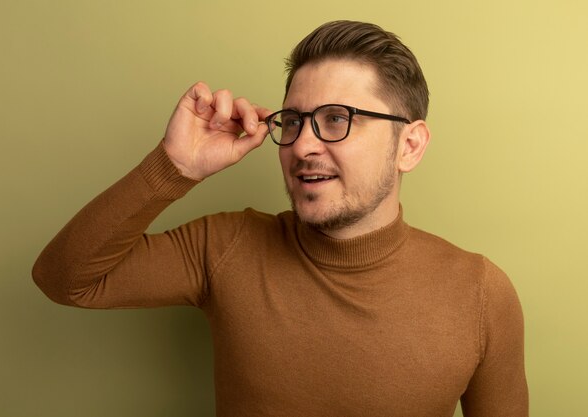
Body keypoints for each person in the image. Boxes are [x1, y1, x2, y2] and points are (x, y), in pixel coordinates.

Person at [33, 20, 528, 417]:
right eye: (292, 122)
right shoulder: (226, 246)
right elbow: (64, 280)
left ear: (410, 145)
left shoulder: (480, 292)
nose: (303, 145)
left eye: (337, 119)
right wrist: (174, 168)